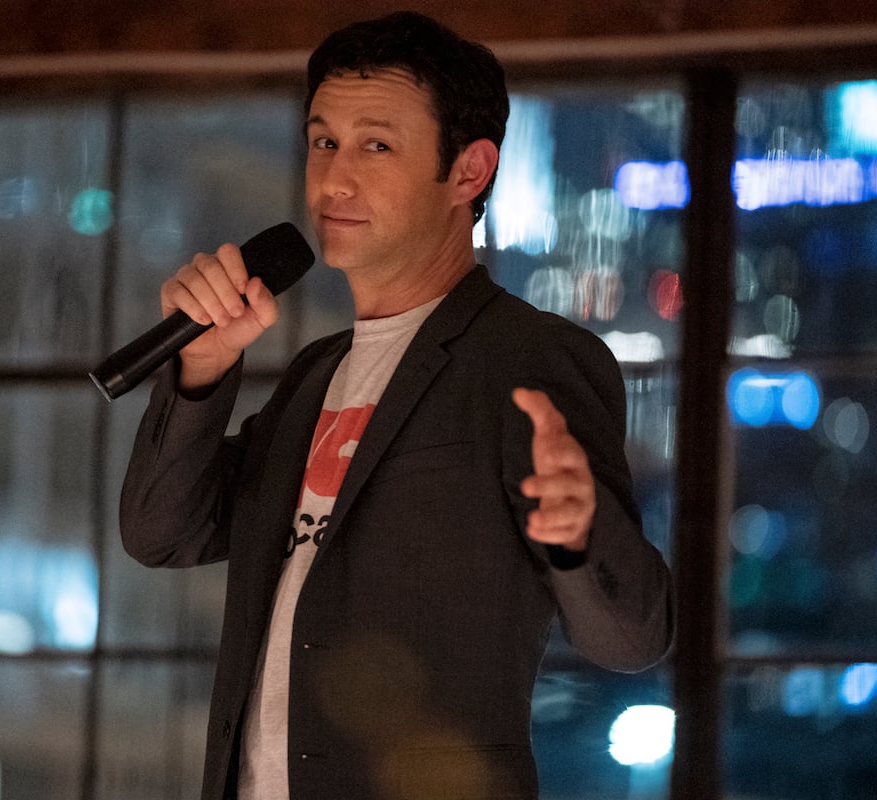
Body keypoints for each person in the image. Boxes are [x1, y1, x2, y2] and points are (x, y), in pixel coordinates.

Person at [120, 11, 673, 799]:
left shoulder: (530, 358)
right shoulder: (316, 376)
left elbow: (632, 639)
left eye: (376, 145)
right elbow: (159, 533)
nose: (334, 179)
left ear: (468, 172)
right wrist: (201, 373)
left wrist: (582, 535)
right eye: (322, 141)